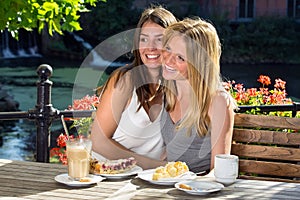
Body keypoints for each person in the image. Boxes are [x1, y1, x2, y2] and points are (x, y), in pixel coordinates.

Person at [90, 5, 177, 169]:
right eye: (144, 39)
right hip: (109, 176)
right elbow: (98, 142)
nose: (150, 47)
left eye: (159, 39)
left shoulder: (176, 87)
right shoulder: (125, 80)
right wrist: (155, 166)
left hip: (152, 182)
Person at [160, 17, 237, 173]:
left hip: (198, 189)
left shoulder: (217, 101)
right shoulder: (166, 95)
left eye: (180, 57)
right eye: (168, 49)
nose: (168, 60)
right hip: (166, 186)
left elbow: (219, 171)